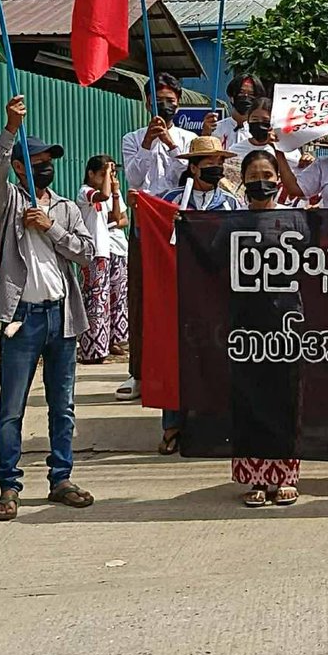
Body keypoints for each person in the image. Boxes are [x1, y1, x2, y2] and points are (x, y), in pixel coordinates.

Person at [0, 94, 96, 522]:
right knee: (11, 407)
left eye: (49, 159)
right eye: (36, 159)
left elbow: (86, 253)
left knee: (62, 405)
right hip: (20, 320)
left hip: (62, 317)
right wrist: (10, 128)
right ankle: (9, 485)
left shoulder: (66, 208)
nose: (44, 165)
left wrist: (51, 230)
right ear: (20, 165)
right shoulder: (9, 203)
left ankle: (61, 478)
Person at [117, 74, 216, 403]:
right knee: (142, 296)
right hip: (146, 225)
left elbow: (188, 174)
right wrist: (148, 142)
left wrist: (173, 146)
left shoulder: (189, 140)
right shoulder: (132, 138)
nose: (167, 105)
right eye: (160, 100)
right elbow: (133, 176)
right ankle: (138, 373)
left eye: (172, 100)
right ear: (147, 103)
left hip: (180, 223)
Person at [158, 135, 245, 454]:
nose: (215, 170)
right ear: (193, 168)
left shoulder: (231, 203)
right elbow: (148, 234)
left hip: (219, 293)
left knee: (219, 356)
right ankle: (173, 426)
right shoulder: (170, 200)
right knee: (177, 359)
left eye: (219, 165)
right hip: (180, 291)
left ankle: (217, 424)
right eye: (209, 165)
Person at [231, 149, 304, 507]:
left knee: (285, 395)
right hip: (245, 323)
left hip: (287, 322)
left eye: (268, 174)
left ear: (278, 179)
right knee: (249, 395)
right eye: (254, 174)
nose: (261, 181)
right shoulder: (231, 222)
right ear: (243, 180)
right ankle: (255, 477)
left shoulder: (295, 220)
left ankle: (286, 474)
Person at [76, 155, 129, 365]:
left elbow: (118, 218)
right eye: (103, 174)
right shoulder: (85, 192)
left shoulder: (102, 193)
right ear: (91, 174)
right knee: (94, 301)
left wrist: (116, 190)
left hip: (104, 250)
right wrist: (109, 176)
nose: (109, 177)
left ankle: (104, 344)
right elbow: (104, 196)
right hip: (93, 251)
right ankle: (93, 350)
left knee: (106, 300)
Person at [214, 74, 266, 151]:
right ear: (232, 97)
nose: (245, 96)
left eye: (251, 94)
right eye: (241, 92)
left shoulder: (260, 132)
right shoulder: (217, 129)